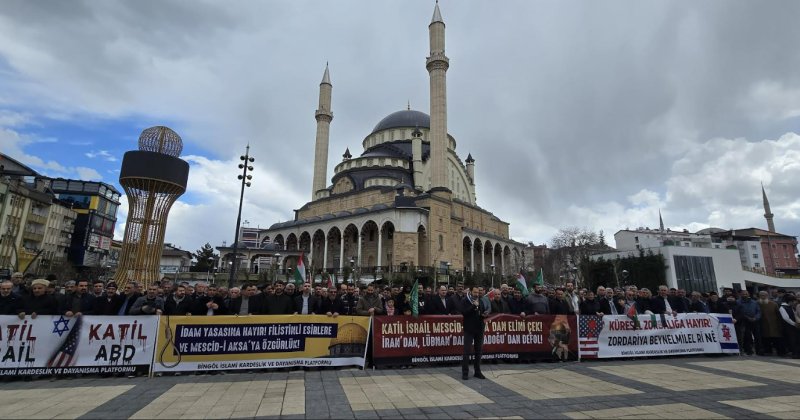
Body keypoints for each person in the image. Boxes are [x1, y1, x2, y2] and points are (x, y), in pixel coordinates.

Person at [461, 286, 488, 380]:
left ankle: (477, 371)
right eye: (475, 292)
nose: (477, 294)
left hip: (479, 328)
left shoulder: (480, 300)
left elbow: (481, 311)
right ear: (470, 292)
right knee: (467, 351)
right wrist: (473, 306)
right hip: (469, 329)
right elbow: (464, 312)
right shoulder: (465, 300)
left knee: (478, 351)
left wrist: (484, 314)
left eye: (478, 292)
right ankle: (465, 372)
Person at [734, 290, 761, 356]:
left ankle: (759, 351)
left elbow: (758, 311)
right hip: (744, 321)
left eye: (746, 294)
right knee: (747, 337)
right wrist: (747, 317)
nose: (745, 295)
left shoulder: (754, 302)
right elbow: (738, 312)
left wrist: (755, 318)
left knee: (757, 336)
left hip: (755, 321)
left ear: (748, 294)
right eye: (743, 294)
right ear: (740, 294)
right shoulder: (737, 302)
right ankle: (749, 351)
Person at [758, 291, 783, 356]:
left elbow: (778, 315)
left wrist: (780, 325)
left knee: (777, 339)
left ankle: (780, 352)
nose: (763, 297)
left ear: (767, 296)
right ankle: (768, 351)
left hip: (774, 325)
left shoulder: (774, 304)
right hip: (763, 325)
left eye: (764, 295)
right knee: (765, 339)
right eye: (761, 295)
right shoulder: (757, 304)